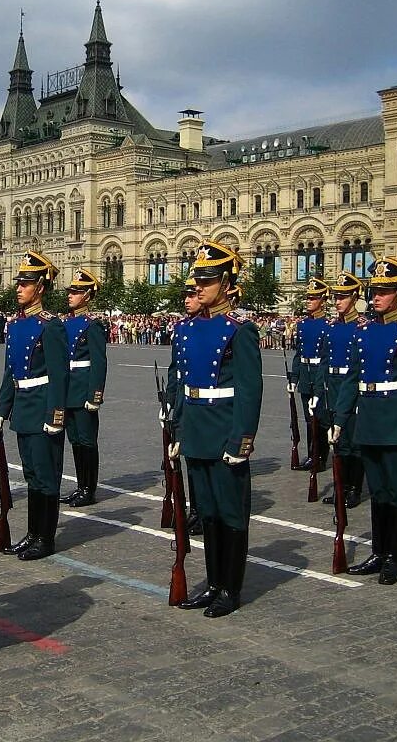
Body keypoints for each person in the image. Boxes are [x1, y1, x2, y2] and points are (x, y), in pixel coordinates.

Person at [169, 240, 262, 618]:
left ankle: (230, 587)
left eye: (207, 281)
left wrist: (241, 440)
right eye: (198, 280)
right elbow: (181, 386)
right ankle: (211, 582)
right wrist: (177, 431)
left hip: (224, 430)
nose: (199, 287)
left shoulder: (240, 330)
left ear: (226, 283)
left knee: (230, 514)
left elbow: (249, 391)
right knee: (206, 513)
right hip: (196, 430)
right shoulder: (187, 329)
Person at [332, 258, 397, 585]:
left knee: (396, 492)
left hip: (396, 420)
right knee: (377, 491)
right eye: (374, 291)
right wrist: (341, 419)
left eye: (384, 291)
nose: (376, 296)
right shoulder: (363, 331)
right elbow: (351, 379)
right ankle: (377, 551)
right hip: (369, 420)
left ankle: (393, 556)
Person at [0, 250, 69, 561]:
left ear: (40, 287)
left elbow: (59, 375)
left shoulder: (50, 326)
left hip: (42, 409)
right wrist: (2, 409)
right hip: (23, 408)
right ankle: (32, 533)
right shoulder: (16, 325)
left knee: (46, 476)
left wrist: (56, 414)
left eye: (25, 283)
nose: (18, 288)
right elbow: (10, 370)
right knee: (31, 475)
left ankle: (45, 538)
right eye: (18, 283)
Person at [316, 271, 367, 509]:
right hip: (333, 388)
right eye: (336, 296)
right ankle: (340, 487)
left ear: (355, 298)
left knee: (354, 441)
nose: (338, 301)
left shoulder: (364, 328)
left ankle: (354, 488)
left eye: (343, 297)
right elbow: (324, 362)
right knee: (337, 441)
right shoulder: (331, 328)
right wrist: (318, 392)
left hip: (353, 387)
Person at [59, 269, 107, 508]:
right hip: (68, 389)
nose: (71, 295)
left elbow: (99, 362)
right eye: (70, 291)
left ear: (87, 296)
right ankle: (80, 486)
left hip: (83, 389)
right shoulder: (65, 322)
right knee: (75, 441)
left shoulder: (92, 325)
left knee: (87, 441)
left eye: (76, 292)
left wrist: (95, 394)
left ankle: (89, 488)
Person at [165, 277, 204, 535]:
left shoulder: (211, 329)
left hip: (200, 402)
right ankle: (193, 510)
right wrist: (168, 402)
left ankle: (203, 512)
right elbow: (174, 370)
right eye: (185, 296)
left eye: (192, 295)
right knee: (186, 457)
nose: (187, 300)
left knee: (200, 460)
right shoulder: (181, 328)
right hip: (181, 401)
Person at [289, 278, 330, 472]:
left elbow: (326, 358)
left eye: (313, 298)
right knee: (307, 419)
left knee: (319, 418)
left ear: (323, 300)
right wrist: (294, 378)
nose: (309, 301)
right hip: (305, 375)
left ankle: (321, 456)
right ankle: (312, 454)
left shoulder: (328, 325)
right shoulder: (303, 325)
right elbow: (299, 353)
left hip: (319, 375)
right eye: (308, 297)